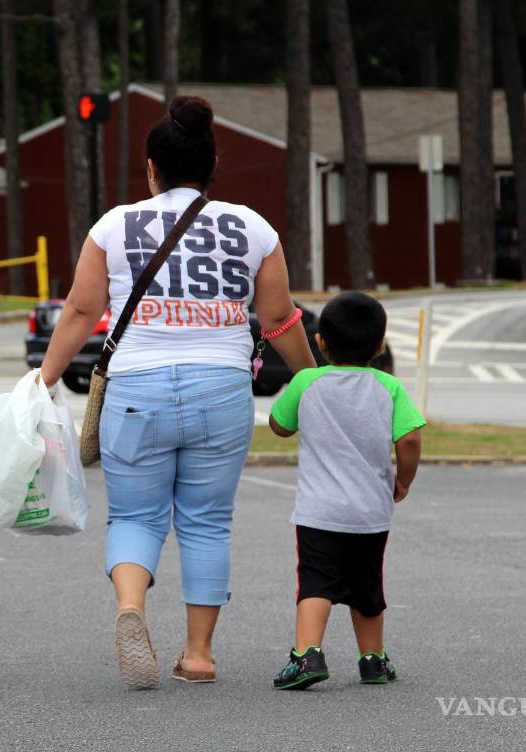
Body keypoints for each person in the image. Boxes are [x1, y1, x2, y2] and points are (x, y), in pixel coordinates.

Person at [39, 95, 317, 689]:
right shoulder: (254, 228)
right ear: (213, 163)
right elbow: (279, 319)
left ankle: (131, 608)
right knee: (207, 523)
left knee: (136, 516)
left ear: (150, 168)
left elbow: (83, 309)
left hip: (137, 388)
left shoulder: (113, 225)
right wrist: (314, 377)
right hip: (221, 389)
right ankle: (198, 654)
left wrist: (43, 379)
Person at [267, 291, 425, 690]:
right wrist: (403, 479)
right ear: (378, 346)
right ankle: (372, 659)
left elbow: (278, 425)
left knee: (316, 582)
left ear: (320, 342)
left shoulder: (307, 382)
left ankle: (307, 656)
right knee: (368, 586)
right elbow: (409, 440)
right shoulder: (389, 387)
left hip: (318, 512)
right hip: (371, 513)